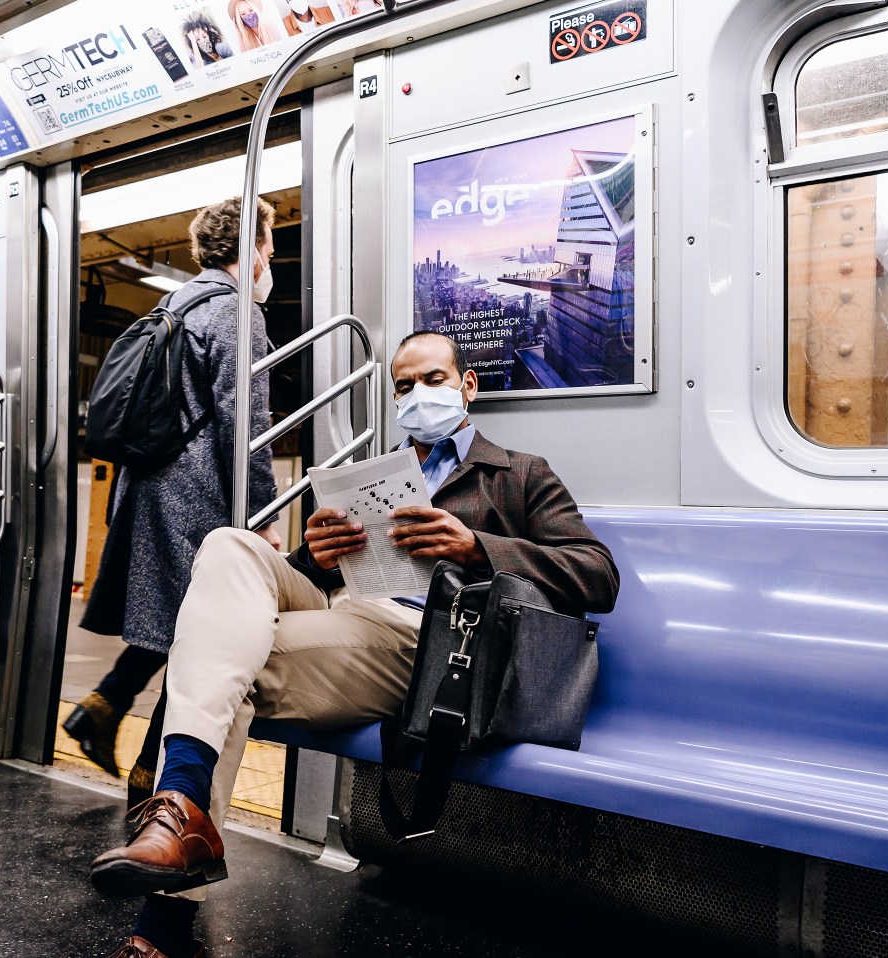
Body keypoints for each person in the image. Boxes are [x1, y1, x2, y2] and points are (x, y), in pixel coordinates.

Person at [88, 331, 621, 958]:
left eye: (433, 380)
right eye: (403, 386)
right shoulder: (376, 479)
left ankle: (163, 916)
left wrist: (475, 548)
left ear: (467, 386)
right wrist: (312, 559)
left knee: (219, 666)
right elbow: (293, 587)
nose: (418, 395)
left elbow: (596, 574)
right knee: (229, 546)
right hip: (342, 620)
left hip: (427, 641)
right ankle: (183, 818)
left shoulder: (520, 474)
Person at [66, 198, 282, 791]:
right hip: (196, 495)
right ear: (248, 249)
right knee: (202, 635)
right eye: (267, 244)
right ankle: (152, 777)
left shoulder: (175, 303)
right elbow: (246, 421)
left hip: (147, 485)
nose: (271, 257)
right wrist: (262, 514)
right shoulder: (238, 314)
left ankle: (104, 713)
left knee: (176, 622)